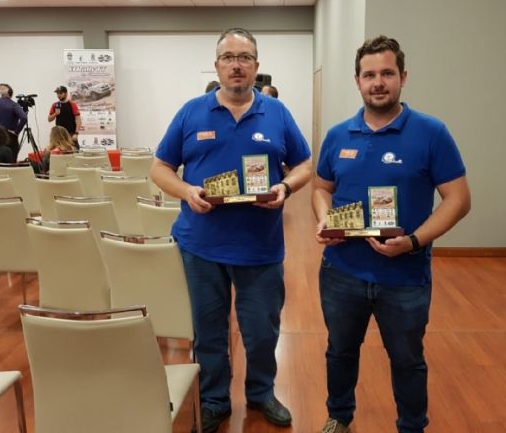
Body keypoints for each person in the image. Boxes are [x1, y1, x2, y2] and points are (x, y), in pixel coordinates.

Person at [150, 27, 312, 433]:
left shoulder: (278, 113)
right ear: (217, 65)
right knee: (208, 332)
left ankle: (261, 393)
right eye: (228, 57)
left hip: (260, 247)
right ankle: (214, 399)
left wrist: (285, 186)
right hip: (201, 246)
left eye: (245, 57)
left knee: (261, 331)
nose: (236, 65)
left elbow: (306, 164)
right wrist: (186, 191)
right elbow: (159, 167)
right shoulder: (191, 112)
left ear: (257, 66)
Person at [312, 36, 471, 433]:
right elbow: (320, 188)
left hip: (405, 275)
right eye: (369, 75)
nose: (378, 82)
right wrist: (324, 220)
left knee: (407, 359)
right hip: (341, 271)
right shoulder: (337, 135)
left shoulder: (432, 132)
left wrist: (415, 241)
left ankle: (412, 426)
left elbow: (458, 199)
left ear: (403, 77)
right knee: (340, 351)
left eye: (387, 73)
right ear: (357, 81)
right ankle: (339, 417)